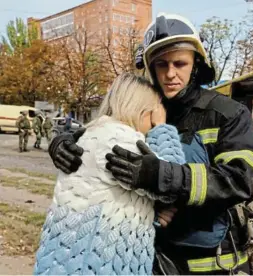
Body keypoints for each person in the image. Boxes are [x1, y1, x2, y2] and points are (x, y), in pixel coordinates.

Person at [48, 13, 253, 275]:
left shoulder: (228, 114)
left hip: (211, 263)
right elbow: (105, 131)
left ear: (195, 64)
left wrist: (162, 175)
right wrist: (64, 141)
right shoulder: (146, 110)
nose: (170, 74)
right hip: (149, 257)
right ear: (150, 69)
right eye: (161, 65)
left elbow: (239, 182)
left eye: (179, 63)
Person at [34, 73, 186, 275]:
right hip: (96, 266)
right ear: (143, 110)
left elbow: (111, 199)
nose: (151, 124)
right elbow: (174, 180)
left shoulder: (94, 134)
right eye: (154, 112)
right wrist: (162, 127)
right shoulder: (120, 139)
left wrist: (152, 214)